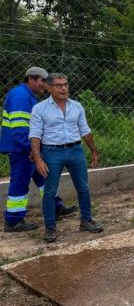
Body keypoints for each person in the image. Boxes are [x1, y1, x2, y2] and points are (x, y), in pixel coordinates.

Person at [0, 67, 76, 233]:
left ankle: (55, 207)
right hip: (22, 150)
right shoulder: (20, 96)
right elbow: (20, 128)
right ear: (32, 79)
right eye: (43, 81)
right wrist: (31, 150)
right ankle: (13, 221)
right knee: (20, 184)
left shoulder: (27, 95)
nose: (45, 85)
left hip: (29, 149)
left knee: (44, 177)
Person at [29, 73, 104, 243]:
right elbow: (35, 135)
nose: (63, 88)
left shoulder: (76, 106)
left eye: (65, 84)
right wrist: (39, 159)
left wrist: (94, 150)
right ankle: (50, 227)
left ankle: (86, 221)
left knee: (83, 188)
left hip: (75, 151)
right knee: (49, 191)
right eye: (58, 85)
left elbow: (85, 129)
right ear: (49, 88)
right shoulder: (40, 109)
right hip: (52, 153)